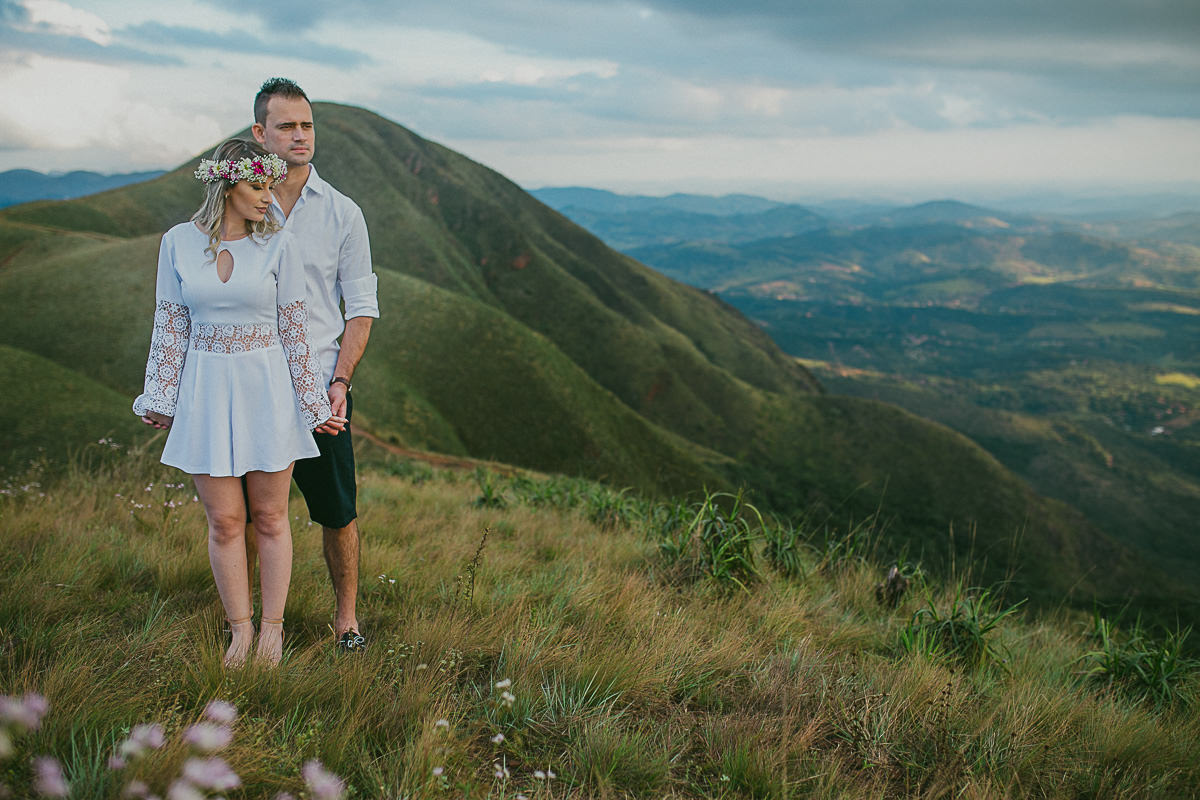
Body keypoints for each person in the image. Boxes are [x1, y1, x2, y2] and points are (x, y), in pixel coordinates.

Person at [133, 138, 346, 666]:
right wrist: (160, 397)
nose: (268, 197)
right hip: (205, 393)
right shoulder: (177, 243)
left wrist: (314, 405)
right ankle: (240, 631)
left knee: (270, 518)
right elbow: (170, 325)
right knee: (225, 521)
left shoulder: (279, 245)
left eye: (271, 186)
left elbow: (295, 330)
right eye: (258, 186)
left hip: (267, 392)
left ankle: (273, 631)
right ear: (227, 186)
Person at [249, 77, 380, 653]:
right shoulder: (239, 204)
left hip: (321, 388)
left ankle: (346, 622)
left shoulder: (344, 213)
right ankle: (248, 624)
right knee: (250, 513)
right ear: (261, 134)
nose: (300, 135)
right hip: (251, 381)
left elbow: (362, 308)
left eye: (306, 125)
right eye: (287, 126)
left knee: (338, 510)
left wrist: (340, 382)